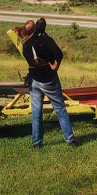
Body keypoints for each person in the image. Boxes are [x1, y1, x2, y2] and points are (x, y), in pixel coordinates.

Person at [17, 18, 78, 148]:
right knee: (60, 109)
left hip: (34, 81)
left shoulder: (26, 46)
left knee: (36, 112)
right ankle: (70, 140)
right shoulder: (45, 40)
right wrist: (55, 66)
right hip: (49, 80)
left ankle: (37, 142)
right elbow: (59, 54)